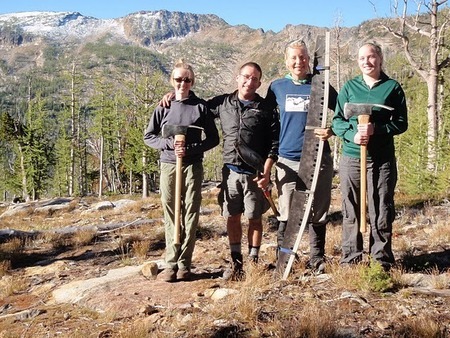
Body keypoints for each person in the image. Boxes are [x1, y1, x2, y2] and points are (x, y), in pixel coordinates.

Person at [160, 62, 279, 281]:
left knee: (254, 218)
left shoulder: (265, 108)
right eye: (245, 77)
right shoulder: (222, 103)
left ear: (259, 83)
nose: (249, 82)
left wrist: (267, 171)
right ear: (237, 78)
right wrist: (175, 94)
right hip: (230, 171)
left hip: (255, 172)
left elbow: (274, 142)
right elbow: (194, 107)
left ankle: (253, 261)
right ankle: (236, 264)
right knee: (232, 217)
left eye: (254, 79)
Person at [331, 42, 408, 271]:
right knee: (350, 207)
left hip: (381, 159)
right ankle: (351, 260)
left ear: (380, 59)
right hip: (352, 158)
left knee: (381, 207)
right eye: (362, 58)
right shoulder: (349, 87)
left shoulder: (392, 88)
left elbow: (401, 123)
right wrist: (352, 134)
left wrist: (379, 130)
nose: (367, 61)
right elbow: (337, 121)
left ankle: (380, 261)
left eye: (371, 57)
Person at [265, 39, 337, 274]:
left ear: (309, 60)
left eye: (303, 57)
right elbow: (264, 119)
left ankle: (317, 258)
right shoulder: (277, 87)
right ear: (286, 61)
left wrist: (332, 130)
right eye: (294, 58)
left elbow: (343, 112)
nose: (299, 62)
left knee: (319, 208)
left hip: (318, 157)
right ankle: (285, 258)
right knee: (286, 210)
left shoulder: (321, 85)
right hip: (287, 159)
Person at [144, 59, 219, 282]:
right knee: (170, 211)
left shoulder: (200, 107)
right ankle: (170, 263)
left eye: (187, 80)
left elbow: (213, 139)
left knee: (190, 213)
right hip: (169, 164)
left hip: (192, 165)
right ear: (172, 81)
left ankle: (185, 263)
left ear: (192, 81)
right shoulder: (163, 107)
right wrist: (169, 145)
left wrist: (191, 147)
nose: (182, 83)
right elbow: (149, 137)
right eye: (178, 79)